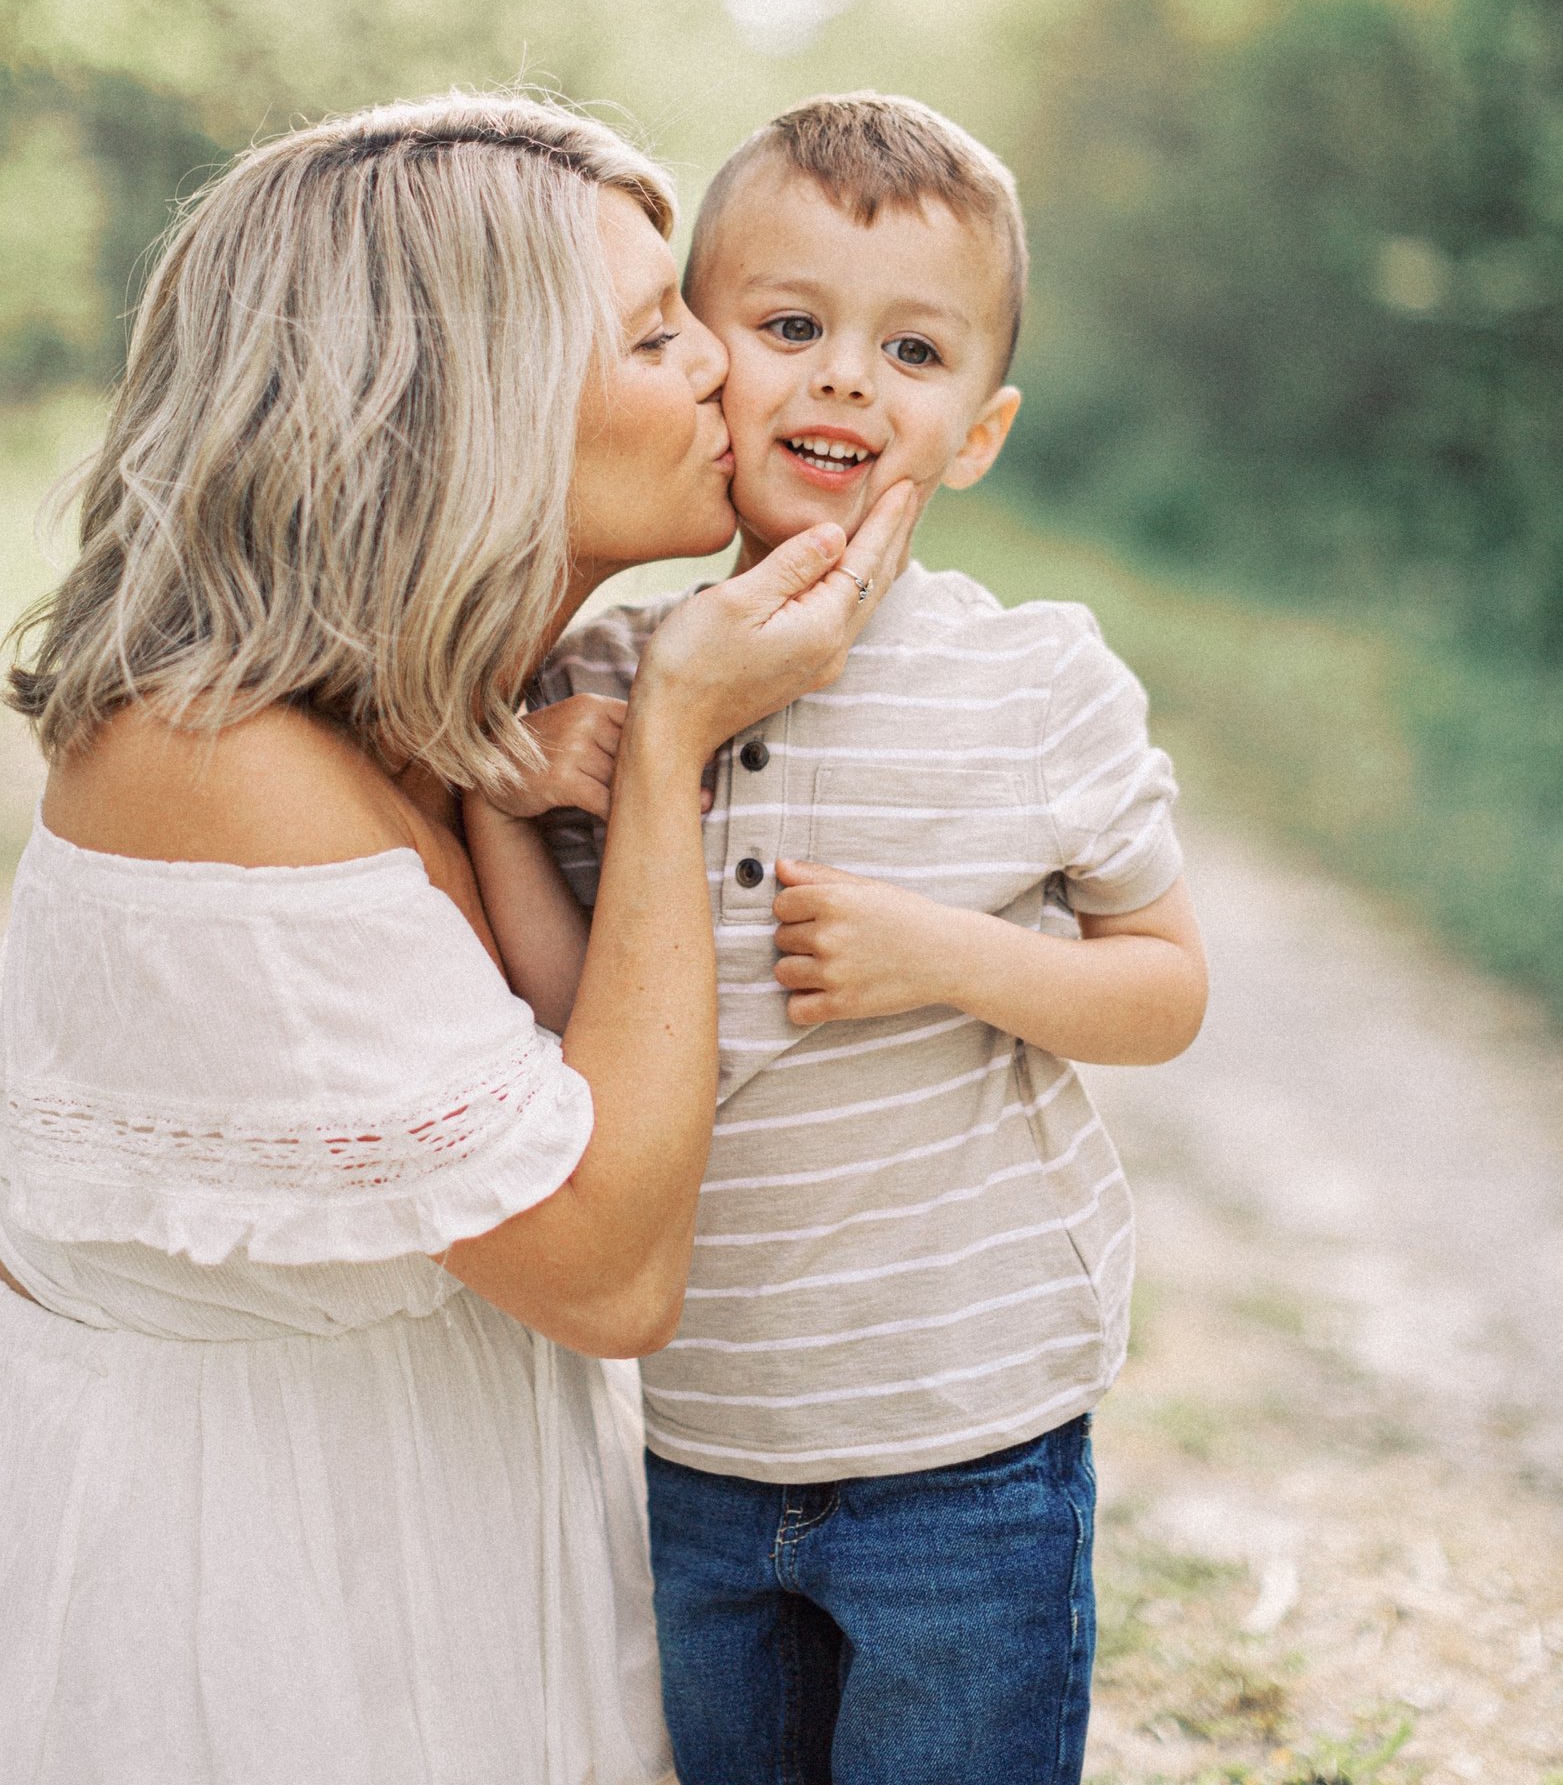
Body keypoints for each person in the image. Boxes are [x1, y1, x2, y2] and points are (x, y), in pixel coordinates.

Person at [0, 91, 916, 1785]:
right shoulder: (215, 763)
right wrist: (670, 750)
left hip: (450, 1549)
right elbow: (610, 1270)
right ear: (458, 407)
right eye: (656, 334)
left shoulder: (460, 718)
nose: (726, 357)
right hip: (257, 1623)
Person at [477, 92, 1210, 1785]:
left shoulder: (1036, 681)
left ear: (980, 428)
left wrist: (949, 959)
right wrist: (510, 802)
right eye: (790, 325)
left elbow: (1165, 990)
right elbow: (569, 1025)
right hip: (691, 1443)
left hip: (964, 1441)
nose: (845, 381)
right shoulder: (602, 678)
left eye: (914, 351)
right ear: (703, 360)